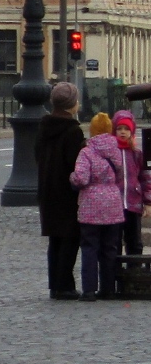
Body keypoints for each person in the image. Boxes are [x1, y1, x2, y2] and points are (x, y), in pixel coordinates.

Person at [36, 82, 85, 299]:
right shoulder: (73, 131)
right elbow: (76, 163)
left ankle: (54, 284)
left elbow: (37, 156)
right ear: (71, 104)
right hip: (67, 191)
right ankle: (65, 285)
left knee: (55, 239)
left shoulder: (44, 126)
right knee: (70, 238)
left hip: (47, 189)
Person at [70, 112, 124, 301]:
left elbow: (81, 178)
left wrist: (72, 178)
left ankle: (89, 290)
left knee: (89, 247)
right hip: (113, 203)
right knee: (110, 248)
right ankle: (108, 289)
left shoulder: (87, 151)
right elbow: (120, 176)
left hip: (91, 205)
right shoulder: (116, 149)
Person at [111, 110, 151, 256]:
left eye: (126, 129)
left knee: (134, 242)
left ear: (132, 131)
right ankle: (115, 274)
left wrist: (148, 202)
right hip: (114, 205)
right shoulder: (111, 152)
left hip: (133, 204)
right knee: (114, 242)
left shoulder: (136, 153)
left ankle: (135, 273)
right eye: (119, 129)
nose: (123, 132)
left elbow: (145, 177)